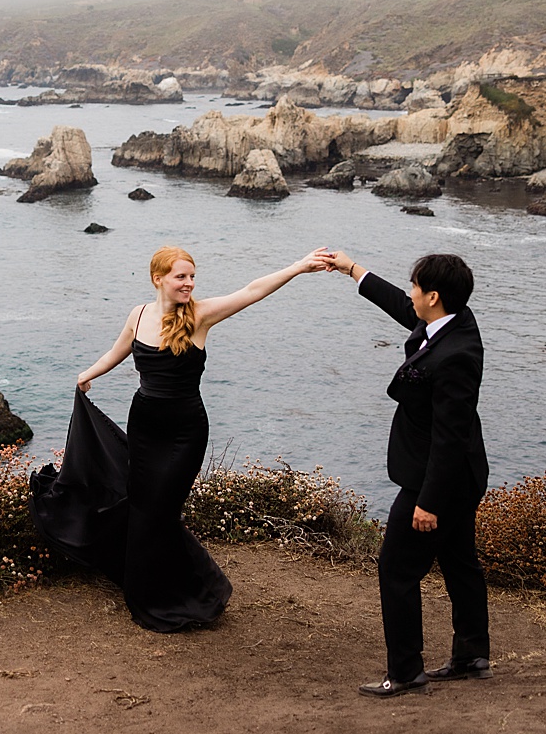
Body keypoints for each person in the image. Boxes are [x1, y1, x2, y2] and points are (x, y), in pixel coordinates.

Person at [33, 244, 330, 632]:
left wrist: (298, 267)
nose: (189, 283)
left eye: (192, 276)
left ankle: (195, 591)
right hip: (144, 425)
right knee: (141, 506)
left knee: (160, 509)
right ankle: (148, 590)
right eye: (181, 277)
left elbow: (253, 290)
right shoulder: (139, 315)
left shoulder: (200, 316)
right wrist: (87, 374)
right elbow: (118, 351)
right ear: (158, 279)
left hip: (184, 432)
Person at [319, 249, 489, 698]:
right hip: (460, 473)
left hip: (439, 478)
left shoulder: (455, 356)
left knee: (396, 569)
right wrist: (353, 269)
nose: (410, 292)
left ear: (433, 295)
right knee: (458, 561)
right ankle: (472, 655)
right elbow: (403, 308)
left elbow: (449, 438)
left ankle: (406, 671)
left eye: (415, 286)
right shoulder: (452, 320)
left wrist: (428, 502)